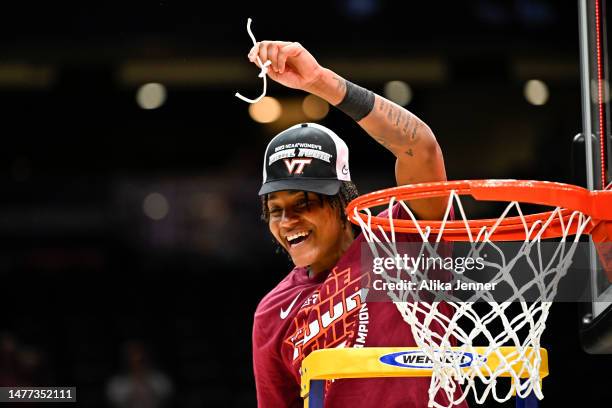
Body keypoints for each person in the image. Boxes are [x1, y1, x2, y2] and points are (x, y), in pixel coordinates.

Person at [250, 41, 464, 407]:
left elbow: (419, 147)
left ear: (345, 203)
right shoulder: (271, 313)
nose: (288, 221)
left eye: (305, 203)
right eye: (276, 209)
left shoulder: (401, 240)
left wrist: (320, 81)